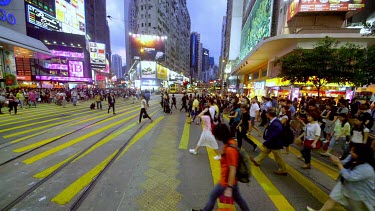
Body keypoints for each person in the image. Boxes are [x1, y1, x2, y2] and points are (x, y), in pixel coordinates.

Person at [192, 124, 250, 211]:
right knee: (238, 198)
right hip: (230, 181)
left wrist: (229, 187)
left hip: (226, 181)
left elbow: (232, 170)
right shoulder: (230, 143)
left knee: (213, 195)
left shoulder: (230, 149)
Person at [307, 144, 375, 211]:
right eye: (351, 150)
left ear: (361, 155)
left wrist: (338, 163)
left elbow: (349, 177)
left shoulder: (366, 169)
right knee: (332, 198)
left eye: (353, 152)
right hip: (344, 184)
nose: (350, 152)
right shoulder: (352, 157)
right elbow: (344, 163)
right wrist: (336, 159)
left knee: (358, 208)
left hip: (358, 192)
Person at [251, 109, 288, 175]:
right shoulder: (274, 121)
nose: (265, 114)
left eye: (267, 113)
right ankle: (257, 160)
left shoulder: (276, 123)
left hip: (275, 142)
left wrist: (267, 141)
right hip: (272, 142)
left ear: (269, 115)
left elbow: (274, 135)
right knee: (266, 151)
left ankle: (283, 169)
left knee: (278, 156)